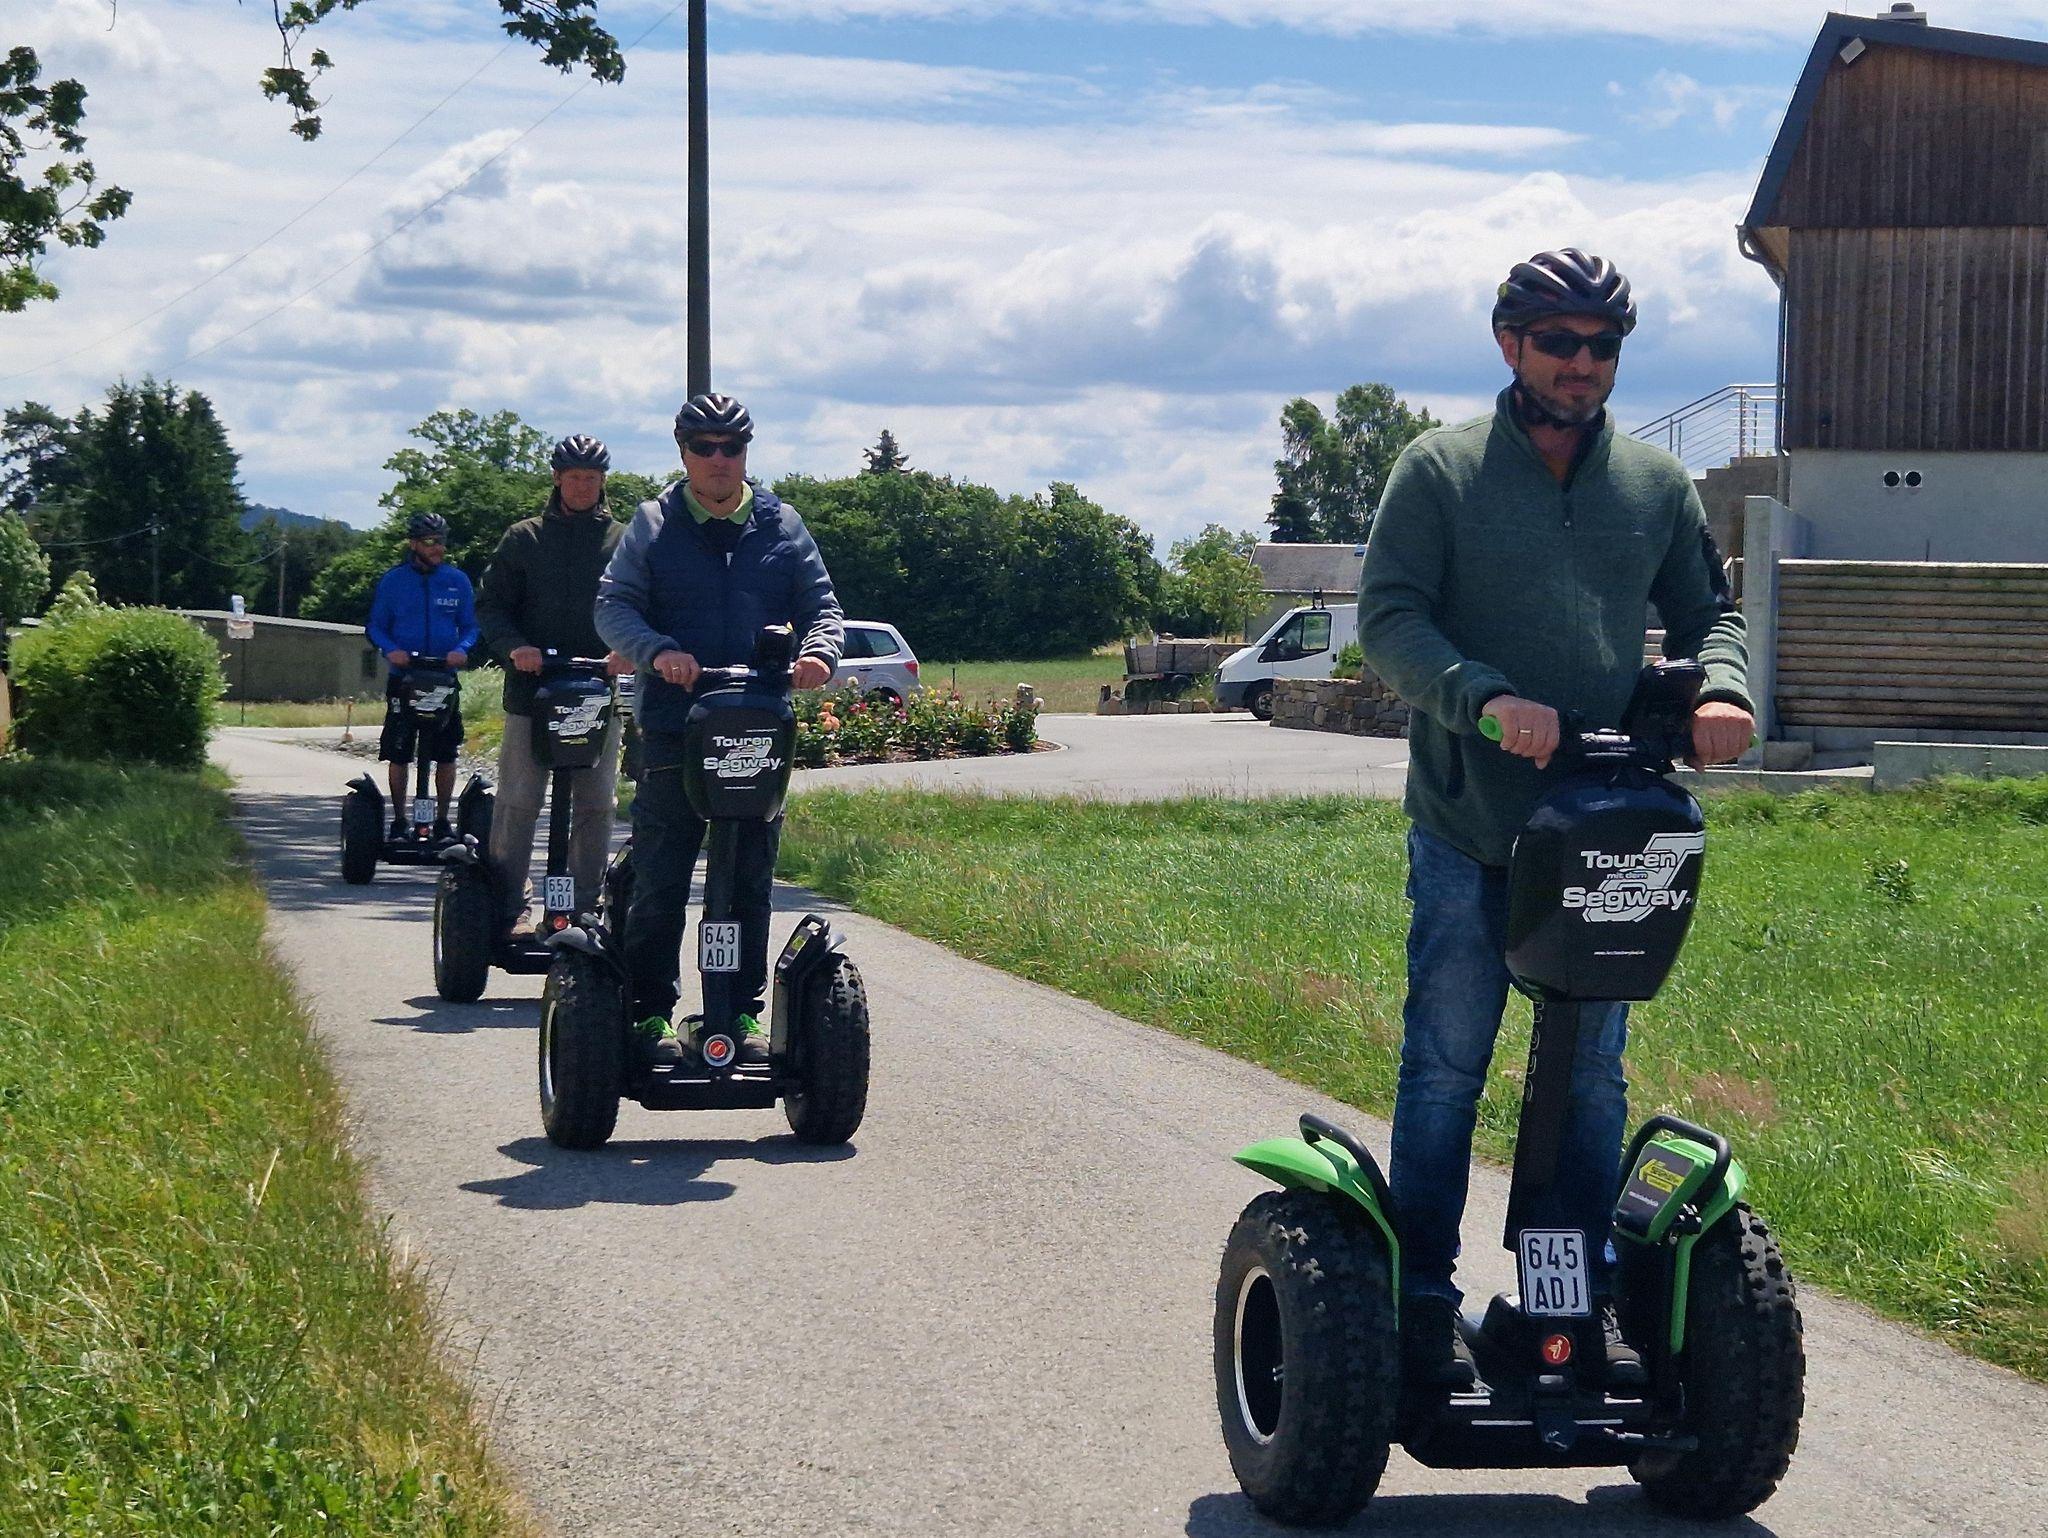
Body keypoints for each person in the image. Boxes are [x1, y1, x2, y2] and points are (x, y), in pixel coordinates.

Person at [1357, 248, 1754, 1391]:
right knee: (1446, 1064)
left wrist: (1720, 688)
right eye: (1556, 342)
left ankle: (1567, 1302)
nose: (1580, 364)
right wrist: (1482, 698)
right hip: (1471, 820)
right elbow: (1389, 619)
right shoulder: (1438, 469)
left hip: (1602, 826)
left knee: (1589, 1077)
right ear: (1508, 344)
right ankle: (1419, 1303)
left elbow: (1709, 613)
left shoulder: (1651, 484)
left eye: (1600, 345)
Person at [594, 393, 842, 1066]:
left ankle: (735, 1012)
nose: (719, 459)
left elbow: (821, 605)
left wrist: (819, 653)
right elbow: (614, 606)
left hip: (756, 726)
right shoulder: (654, 524)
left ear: (745, 452)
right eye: (704, 447)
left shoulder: (781, 523)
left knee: (746, 879)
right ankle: (649, 1012)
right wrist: (656, 651)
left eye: (731, 447)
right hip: (675, 725)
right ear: (683, 453)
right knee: (663, 874)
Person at [475, 433, 627, 941]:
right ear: (557, 479)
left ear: (602, 482)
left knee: (596, 802)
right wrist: (516, 647)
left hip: (596, 692)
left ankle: (583, 908)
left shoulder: (621, 541)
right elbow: (491, 607)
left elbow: (642, 604)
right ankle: (509, 906)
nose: (582, 486)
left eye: (591, 478)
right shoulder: (525, 538)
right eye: (574, 477)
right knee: (519, 800)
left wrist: (626, 650)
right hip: (531, 692)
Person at [366, 511, 479, 840]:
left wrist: (462, 648)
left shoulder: (457, 581)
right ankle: (400, 821)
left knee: (446, 752)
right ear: (414, 544)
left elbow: (471, 626)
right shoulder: (394, 581)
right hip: (404, 677)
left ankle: (442, 822)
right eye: (430, 542)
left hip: (443, 677)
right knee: (399, 751)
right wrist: (391, 650)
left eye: (441, 541)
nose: (437, 548)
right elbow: (375, 626)